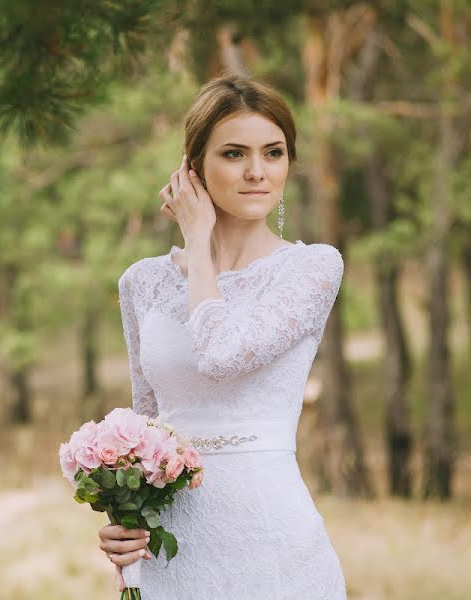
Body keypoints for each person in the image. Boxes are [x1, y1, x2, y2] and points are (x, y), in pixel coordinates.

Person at [97, 73, 347, 598]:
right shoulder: (142, 283)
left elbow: (220, 354)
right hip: (173, 552)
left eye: (273, 153)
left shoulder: (312, 268)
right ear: (193, 168)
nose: (257, 172)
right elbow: (146, 428)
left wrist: (198, 240)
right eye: (234, 153)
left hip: (275, 542)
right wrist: (122, 520)